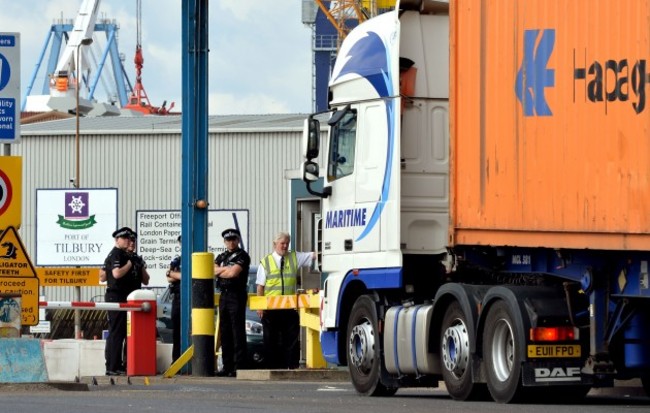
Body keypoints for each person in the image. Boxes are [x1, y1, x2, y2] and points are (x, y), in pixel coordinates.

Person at [256, 231, 316, 369]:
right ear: (275, 244)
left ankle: (291, 367)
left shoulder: (294, 257)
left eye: (287, 244)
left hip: (288, 308)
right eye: (282, 243)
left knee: (291, 340)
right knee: (271, 340)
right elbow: (260, 286)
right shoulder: (266, 262)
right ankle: (272, 368)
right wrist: (260, 307)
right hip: (271, 309)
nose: (285, 246)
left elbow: (311, 256)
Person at [214, 228, 251, 377]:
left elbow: (233, 273)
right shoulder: (221, 256)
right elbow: (212, 270)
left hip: (237, 295)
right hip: (224, 294)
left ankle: (239, 366)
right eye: (228, 240)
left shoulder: (242, 255)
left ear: (238, 240)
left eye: (234, 239)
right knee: (225, 331)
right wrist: (225, 269)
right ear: (224, 242)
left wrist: (222, 270)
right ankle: (227, 366)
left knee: (237, 331)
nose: (231, 242)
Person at [103, 226, 138, 376]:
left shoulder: (116, 254)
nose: (128, 241)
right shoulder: (117, 254)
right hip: (116, 295)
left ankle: (116, 365)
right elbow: (116, 274)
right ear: (117, 240)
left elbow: (102, 276)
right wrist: (129, 264)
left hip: (122, 295)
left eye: (129, 239)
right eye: (125, 238)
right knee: (116, 332)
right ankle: (113, 366)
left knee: (120, 331)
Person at [166, 235, 182, 362]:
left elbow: (190, 276)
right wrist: (174, 274)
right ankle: (176, 361)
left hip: (192, 299)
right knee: (177, 332)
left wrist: (174, 274)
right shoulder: (177, 260)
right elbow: (168, 277)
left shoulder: (195, 258)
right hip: (177, 298)